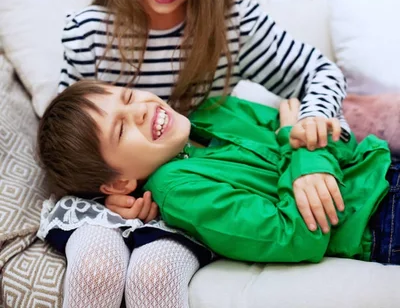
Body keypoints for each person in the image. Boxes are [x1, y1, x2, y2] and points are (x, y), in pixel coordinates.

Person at [46, 0, 350, 308]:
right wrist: (108, 196)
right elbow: (68, 141)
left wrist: (313, 123)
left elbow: (320, 72)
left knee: (155, 273)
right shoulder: (91, 34)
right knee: (96, 264)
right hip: (110, 193)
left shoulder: (231, 24)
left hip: (195, 197)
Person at [38, 81, 398, 267]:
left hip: (383, 166)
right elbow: (299, 235)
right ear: (119, 182)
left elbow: (334, 138)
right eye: (121, 131)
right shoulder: (178, 190)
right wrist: (298, 142)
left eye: (129, 97)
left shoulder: (216, 108)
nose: (141, 112)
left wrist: (305, 134)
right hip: (377, 221)